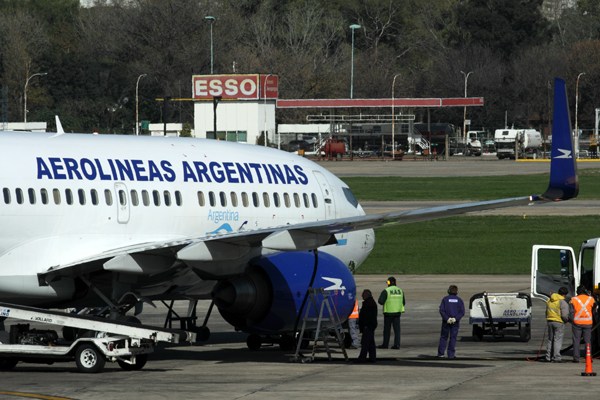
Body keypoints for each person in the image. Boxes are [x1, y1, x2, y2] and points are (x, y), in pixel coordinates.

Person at [569, 285, 596, 363]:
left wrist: (571, 321)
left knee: (576, 341)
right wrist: (590, 295)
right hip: (588, 322)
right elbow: (595, 306)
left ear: (577, 291)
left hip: (577, 322)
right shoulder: (590, 299)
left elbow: (571, 312)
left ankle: (576, 358)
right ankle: (589, 357)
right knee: (588, 341)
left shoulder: (573, 299)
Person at [437, 285, 465, 359]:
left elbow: (442, 310)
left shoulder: (445, 299)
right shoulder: (459, 300)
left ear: (448, 291)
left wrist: (447, 318)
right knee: (453, 338)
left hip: (446, 321)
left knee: (443, 337)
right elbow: (462, 312)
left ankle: (441, 354)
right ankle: (451, 354)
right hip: (455, 322)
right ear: (457, 292)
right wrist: (456, 318)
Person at [377, 276, 404, 349]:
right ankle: (397, 344)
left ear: (388, 283)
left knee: (387, 330)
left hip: (388, 313)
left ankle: (385, 344)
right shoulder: (400, 291)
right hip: (397, 313)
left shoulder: (386, 291)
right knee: (397, 330)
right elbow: (403, 302)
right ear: (395, 282)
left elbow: (380, 301)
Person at [544, 286, 569, 363]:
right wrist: (566, 321)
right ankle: (556, 357)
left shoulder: (549, 300)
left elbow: (546, 312)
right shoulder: (562, 302)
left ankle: (548, 357)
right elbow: (565, 315)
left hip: (550, 321)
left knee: (550, 339)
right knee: (557, 340)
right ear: (564, 294)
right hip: (559, 322)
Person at [356, 289, 377, 363]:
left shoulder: (369, 303)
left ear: (367, 295)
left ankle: (362, 357)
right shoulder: (370, 302)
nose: (362, 296)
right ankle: (372, 357)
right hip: (370, 326)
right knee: (371, 343)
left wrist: (365, 324)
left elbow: (367, 316)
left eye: (363, 294)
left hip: (368, 326)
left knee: (365, 343)